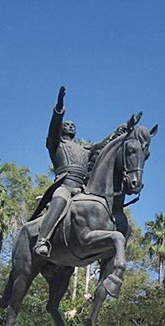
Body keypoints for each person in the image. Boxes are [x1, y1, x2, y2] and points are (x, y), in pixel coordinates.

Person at [32, 86, 128, 257]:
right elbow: (53, 128)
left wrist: (119, 131)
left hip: (83, 188)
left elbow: (102, 144)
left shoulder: (84, 149)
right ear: (62, 129)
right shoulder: (56, 145)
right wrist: (59, 109)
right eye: (67, 125)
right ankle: (42, 240)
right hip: (65, 185)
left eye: (72, 125)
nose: (70, 126)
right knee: (60, 199)